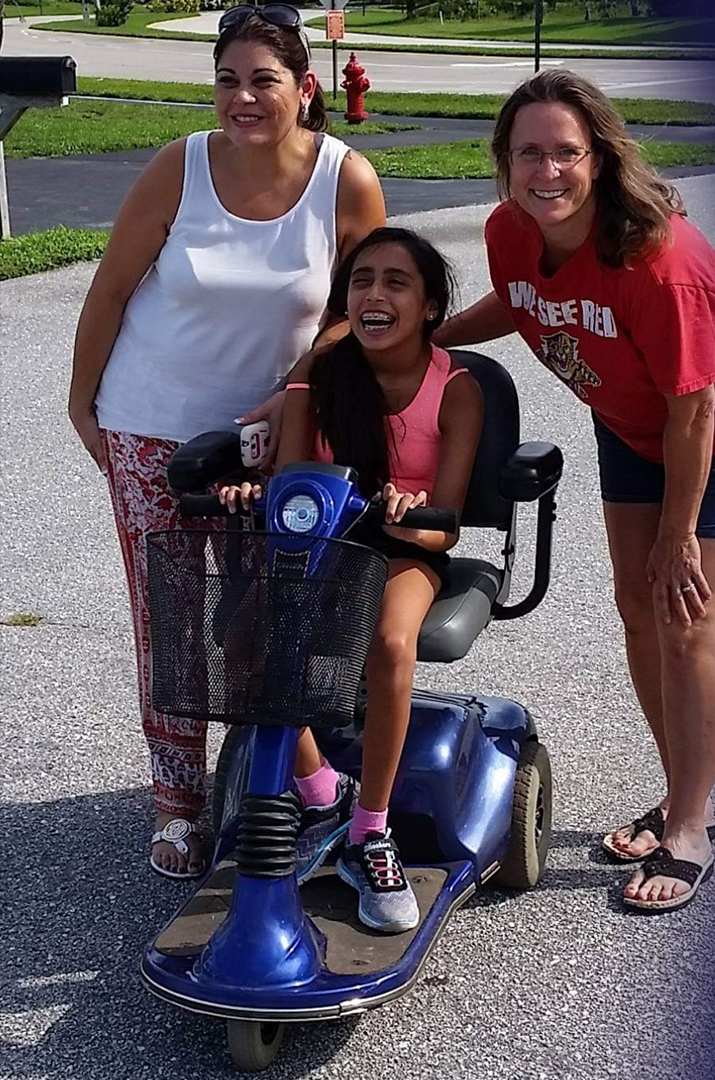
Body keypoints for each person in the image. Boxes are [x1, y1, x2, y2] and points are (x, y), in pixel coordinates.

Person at [434, 70, 715, 914]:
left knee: (684, 612)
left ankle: (694, 827)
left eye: (567, 152)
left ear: (600, 158)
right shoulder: (508, 231)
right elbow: (523, 300)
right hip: (632, 414)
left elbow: (695, 407)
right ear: (505, 161)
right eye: (530, 153)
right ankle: (680, 792)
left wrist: (679, 532)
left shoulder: (658, 262)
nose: (548, 171)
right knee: (636, 608)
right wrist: (432, 341)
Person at [66, 3, 386, 880]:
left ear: (306, 88)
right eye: (227, 80)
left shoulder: (344, 179)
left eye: (264, 80)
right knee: (169, 619)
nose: (242, 98)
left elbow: (362, 312)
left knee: (260, 612)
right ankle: (177, 805)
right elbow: (111, 287)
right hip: (151, 422)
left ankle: (297, 773)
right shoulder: (180, 167)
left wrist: (296, 389)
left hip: (273, 441)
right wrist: (82, 403)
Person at [219, 227, 481, 932]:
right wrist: (256, 492)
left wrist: (406, 514)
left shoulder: (456, 389)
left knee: (391, 643)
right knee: (240, 634)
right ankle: (322, 785)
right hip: (325, 541)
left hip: (405, 548)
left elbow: (445, 526)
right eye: (363, 281)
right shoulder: (319, 380)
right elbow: (292, 478)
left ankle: (371, 829)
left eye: (397, 283)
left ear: (429, 307)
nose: (376, 295)